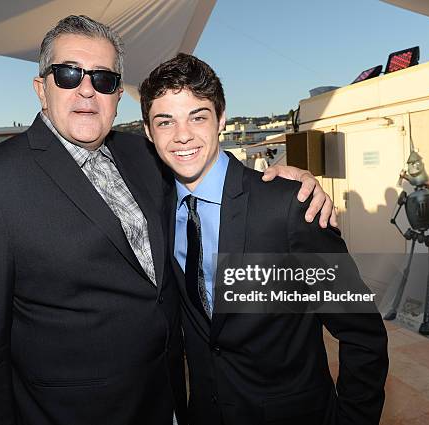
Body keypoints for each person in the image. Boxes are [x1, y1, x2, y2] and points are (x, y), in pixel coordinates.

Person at [0, 15, 334, 425]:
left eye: (104, 79)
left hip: (169, 400)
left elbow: (198, 159)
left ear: (117, 96)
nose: (87, 89)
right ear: (42, 88)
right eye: (69, 74)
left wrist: (281, 182)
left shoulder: (141, 155)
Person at [139, 53, 389, 425]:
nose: (182, 135)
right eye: (165, 121)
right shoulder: (158, 209)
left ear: (221, 119)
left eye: (198, 116)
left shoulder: (288, 206)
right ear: (148, 131)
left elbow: (363, 334)